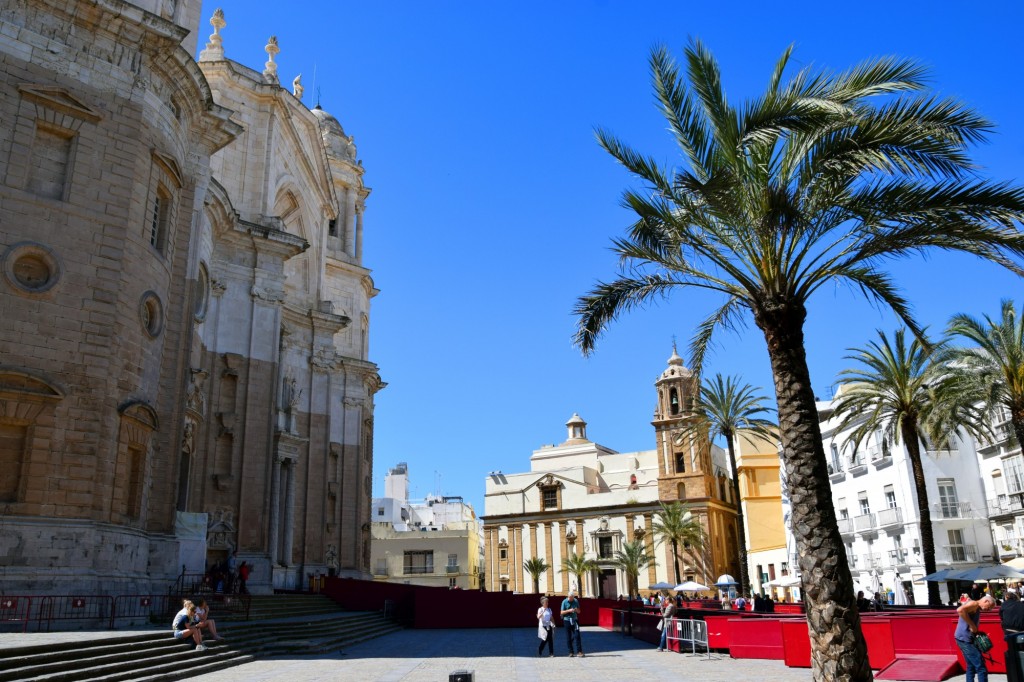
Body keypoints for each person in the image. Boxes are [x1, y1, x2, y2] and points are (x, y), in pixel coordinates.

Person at [955, 594, 996, 682]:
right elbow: (959, 610)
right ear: (986, 601)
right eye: (989, 607)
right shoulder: (974, 604)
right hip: (965, 639)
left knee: (971, 666)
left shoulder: (975, 606)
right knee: (981, 667)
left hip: (963, 638)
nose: (989, 610)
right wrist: (972, 625)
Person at [1002, 590, 1024, 682]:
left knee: (1012, 654)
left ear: (1006, 597)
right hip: (1021, 631)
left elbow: (1002, 617)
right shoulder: (1021, 604)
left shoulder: (1004, 605)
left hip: (1009, 632)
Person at [560, 590, 584, 658]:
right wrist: (568, 611)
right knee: (568, 637)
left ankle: (579, 651)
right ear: (568, 597)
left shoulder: (576, 601)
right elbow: (561, 612)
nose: (571, 599)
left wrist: (576, 610)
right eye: (570, 598)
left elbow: (579, 611)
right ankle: (570, 652)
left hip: (575, 620)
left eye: (572, 598)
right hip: (567, 620)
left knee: (577, 635)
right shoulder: (564, 602)